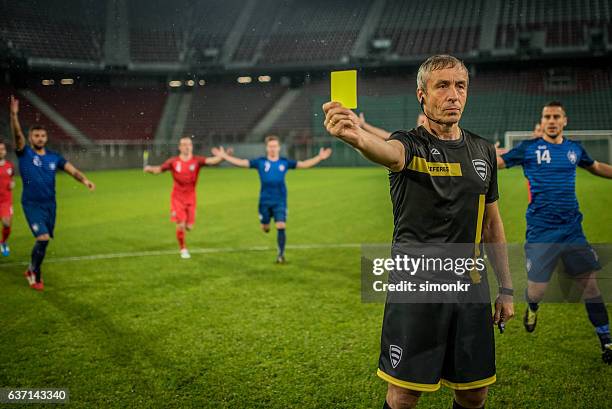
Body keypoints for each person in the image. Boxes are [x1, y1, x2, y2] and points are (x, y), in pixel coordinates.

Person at [323, 54, 514, 409]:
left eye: (460, 86)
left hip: (469, 286)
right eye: (442, 86)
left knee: (474, 392)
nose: (453, 95)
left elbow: (491, 223)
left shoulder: (483, 150)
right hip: (417, 285)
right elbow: (389, 153)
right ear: (421, 95)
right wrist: (357, 138)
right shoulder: (409, 144)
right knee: (403, 394)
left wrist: (505, 288)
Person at [497, 101, 612, 364]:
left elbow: (595, 167)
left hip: (572, 231)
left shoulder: (574, 149)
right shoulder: (529, 149)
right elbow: (500, 162)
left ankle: (606, 340)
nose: (551, 120)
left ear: (564, 121)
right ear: (542, 120)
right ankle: (533, 307)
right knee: (537, 291)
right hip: (541, 233)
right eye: (547, 116)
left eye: (555, 116)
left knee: (591, 286)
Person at [10, 95, 95, 291]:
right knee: (43, 238)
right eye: (36, 135)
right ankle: (35, 274)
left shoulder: (53, 157)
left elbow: (71, 170)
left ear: (46, 138)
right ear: (31, 138)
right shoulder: (25, 153)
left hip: (50, 205)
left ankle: (32, 268)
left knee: (45, 240)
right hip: (32, 204)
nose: (40, 138)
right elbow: (17, 137)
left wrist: (85, 181)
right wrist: (14, 116)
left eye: (42, 136)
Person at [213, 135, 332, 263]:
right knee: (266, 228)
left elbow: (303, 164)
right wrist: (224, 157)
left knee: (281, 225)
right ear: (267, 148)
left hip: (280, 201)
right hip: (264, 201)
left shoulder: (284, 162)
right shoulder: (260, 162)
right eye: (270, 146)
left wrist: (319, 157)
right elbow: (242, 163)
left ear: (279, 148)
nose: (273, 149)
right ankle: (265, 224)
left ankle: (281, 255)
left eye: (275, 146)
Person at [144, 136, 224, 259]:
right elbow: (159, 169)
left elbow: (213, 161)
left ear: (192, 146)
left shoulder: (197, 160)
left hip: (191, 197)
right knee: (180, 224)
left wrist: (223, 156)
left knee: (189, 227)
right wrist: (150, 169)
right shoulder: (173, 161)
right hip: (177, 198)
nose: (187, 147)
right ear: (179, 147)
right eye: (184, 144)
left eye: (189, 144)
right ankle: (183, 249)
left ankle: (187, 225)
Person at [0, 139, 15, 256]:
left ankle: (3, 242)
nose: (1, 151)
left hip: (5, 201)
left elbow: (12, 178)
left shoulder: (10, 165)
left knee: (6, 224)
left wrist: (12, 183)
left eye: (3, 149)